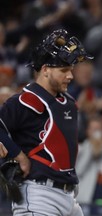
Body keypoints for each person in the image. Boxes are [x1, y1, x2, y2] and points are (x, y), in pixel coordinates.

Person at [0, 29, 92, 215]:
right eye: (64, 70)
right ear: (45, 70)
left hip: (70, 197)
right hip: (38, 195)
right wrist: (18, 154)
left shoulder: (67, 103)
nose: (70, 76)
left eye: (71, 70)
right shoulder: (24, 101)